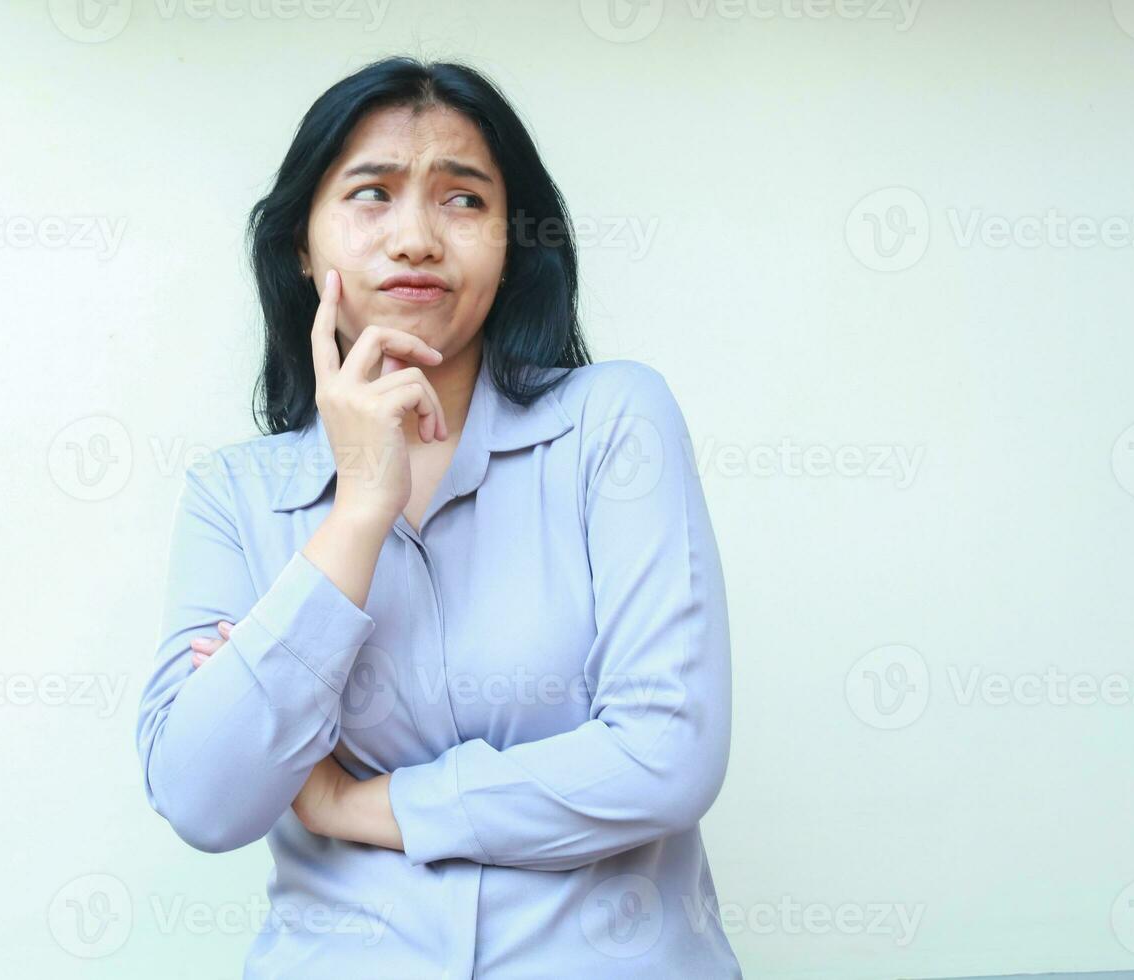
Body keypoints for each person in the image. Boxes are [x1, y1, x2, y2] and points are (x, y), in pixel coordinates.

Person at [136, 55, 741, 978]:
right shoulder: (235, 494)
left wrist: (353, 805)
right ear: (303, 244)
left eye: (463, 200)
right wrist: (357, 513)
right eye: (371, 194)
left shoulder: (615, 424)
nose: (416, 237)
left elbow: (666, 756)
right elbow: (204, 800)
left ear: (512, 241)